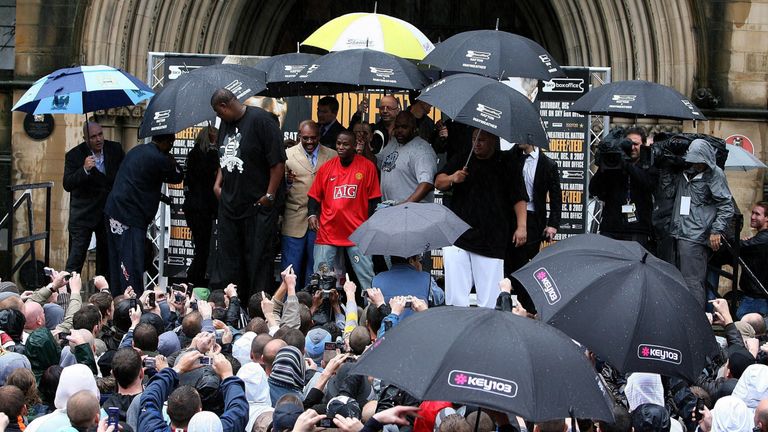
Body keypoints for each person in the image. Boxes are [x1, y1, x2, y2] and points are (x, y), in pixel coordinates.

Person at [435, 129, 528, 308]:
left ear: (494, 141)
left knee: (490, 299)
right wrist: (453, 178)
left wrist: (521, 226)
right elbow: (439, 181)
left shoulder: (507, 161)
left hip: (491, 238)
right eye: (474, 139)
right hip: (459, 235)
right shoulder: (464, 157)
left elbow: (519, 197)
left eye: (482, 140)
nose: (476, 144)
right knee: (455, 297)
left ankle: (488, 332)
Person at [211, 88, 286, 297]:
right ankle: (233, 305)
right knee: (229, 262)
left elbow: (278, 163)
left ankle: (257, 310)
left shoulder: (262, 121)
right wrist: (218, 183)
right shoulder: (225, 124)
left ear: (225, 106)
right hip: (230, 204)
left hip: (257, 205)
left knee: (257, 262)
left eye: (219, 112)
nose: (218, 117)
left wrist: (270, 195)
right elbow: (223, 155)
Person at [104, 133, 183, 295]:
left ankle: (118, 302)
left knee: (117, 262)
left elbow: (140, 182)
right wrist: (171, 158)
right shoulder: (159, 158)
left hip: (113, 210)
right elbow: (177, 176)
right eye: (171, 143)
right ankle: (132, 304)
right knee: (131, 263)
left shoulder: (137, 150)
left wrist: (159, 196)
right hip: (129, 216)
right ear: (167, 142)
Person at [307, 130, 381, 291]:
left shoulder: (367, 167)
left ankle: (372, 313)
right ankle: (321, 312)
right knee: (320, 278)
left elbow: (374, 200)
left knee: (367, 279)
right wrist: (312, 214)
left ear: (354, 146)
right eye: (339, 143)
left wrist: (367, 227)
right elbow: (314, 196)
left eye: (346, 144)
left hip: (357, 233)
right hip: (328, 231)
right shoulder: (326, 168)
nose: (341, 147)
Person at [669, 138, 734, 306]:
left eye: (699, 161)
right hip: (679, 232)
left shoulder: (715, 174)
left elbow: (726, 205)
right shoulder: (686, 171)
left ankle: (695, 323)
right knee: (679, 281)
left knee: (692, 282)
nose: (696, 164)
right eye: (693, 161)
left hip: (695, 236)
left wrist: (716, 231)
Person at [63, 121, 125, 278]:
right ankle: (68, 295)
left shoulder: (115, 149)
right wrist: (84, 169)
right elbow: (67, 184)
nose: (98, 139)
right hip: (83, 215)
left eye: (100, 134)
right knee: (76, 259)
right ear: (86, 139)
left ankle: (102, 296)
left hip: (107, 212)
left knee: (106, 259)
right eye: (93, 137)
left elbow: (124, 175)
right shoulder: (74, 155)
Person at [282, 120, 337, 288]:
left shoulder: (332, 155)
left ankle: (312, 305)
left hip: (322, 219)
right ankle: (287, 306)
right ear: (299, 136)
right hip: (294, 218)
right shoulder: (287, 155)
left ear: (319, 136)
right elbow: (279, 189)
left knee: (317, 268)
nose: (310, 142)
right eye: (305, 138)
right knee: (290, 269)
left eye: (313, 138)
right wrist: (288, 183)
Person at [589, 127, 658, 249]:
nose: (632, 148)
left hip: (638, 228)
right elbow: (594, 190)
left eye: (636, 144)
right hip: (611, 227)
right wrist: (604, 165)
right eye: (628, 143)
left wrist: (627, 164)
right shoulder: (614, 162)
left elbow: (649, 185)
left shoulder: (648, 164)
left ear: (643, 145)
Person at [505, 140, 562, 278]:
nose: (518, 139)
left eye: (522, 136)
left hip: (533, 218)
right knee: (508, 258)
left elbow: (556, 196)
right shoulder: (513, 157)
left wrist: (553, 225)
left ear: (531, 138)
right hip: (510, 215)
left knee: (526, 260)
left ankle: (523, 295)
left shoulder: (548, 164)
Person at [183, 125, 219, 285]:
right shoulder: (205, 155)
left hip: (196, 208)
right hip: (201, 209)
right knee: (202, 248)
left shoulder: (194, 154)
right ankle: (195, 279)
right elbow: (206, 178)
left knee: (202, 247)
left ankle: (195, 278)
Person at [377, 111, 437, 204]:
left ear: (414, 129)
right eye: (397, 127)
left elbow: (427, 184)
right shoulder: (393, 143)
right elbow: (375, 163)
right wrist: (364, 145)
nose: (399, 130)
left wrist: (406, 205)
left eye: (404, 127)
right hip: (391, 210)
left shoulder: (422, 149)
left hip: (412, 212)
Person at [734, 202, 768, 318]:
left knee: (745, 326)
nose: (753, 217)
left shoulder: (764, 238)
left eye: (757, 214)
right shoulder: (761, 237)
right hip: (754, 296)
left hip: (757, 298)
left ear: (767, 218)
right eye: (752, 213)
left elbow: (741, 247)